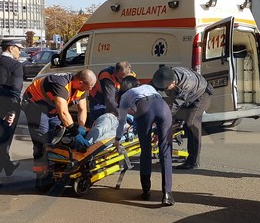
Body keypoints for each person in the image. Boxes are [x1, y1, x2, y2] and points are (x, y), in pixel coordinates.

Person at [22, 69, 97, 189]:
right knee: (42, 142)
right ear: (80, 82)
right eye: (90, 86)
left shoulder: (81, 88)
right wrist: (75, 133)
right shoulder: (60, 84)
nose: (91, 89)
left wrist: (81, 128)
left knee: (57, 138)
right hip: (35, 107)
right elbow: (63, 112)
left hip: (51, 109)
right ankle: (41, 179)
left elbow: (82, 110)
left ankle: (54, 173)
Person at [113, 76, 174, 206]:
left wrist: (117, 139)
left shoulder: (124, 97)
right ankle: (167, 194)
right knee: (166, 152)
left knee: (146, 152)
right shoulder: (149, 87)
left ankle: (146, 192)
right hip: (163, 106)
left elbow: (122, 122)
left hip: (144, 109)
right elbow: (157, 105)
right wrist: (158, 131)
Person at [151, 66, 213, 170]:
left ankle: (193, 161)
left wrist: (157, 128)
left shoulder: (185, 85)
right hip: (189, 94)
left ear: (173, 82)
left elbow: (173, 107)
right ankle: (166, 157)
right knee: (171, 121)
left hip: (201, 95)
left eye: (167, 87)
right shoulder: (163, 75)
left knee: (191, 123)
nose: (165, 90)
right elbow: (151, 86)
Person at [0, 38, 25, 189]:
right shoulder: (15, 65)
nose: (20, 52)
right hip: (7, 108)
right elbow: (15, 90)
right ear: (11, 48)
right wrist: (12, 111)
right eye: (18, 49)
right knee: (3, 144)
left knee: (0, 142)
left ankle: (6, 167)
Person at [86, 61, 135, 126]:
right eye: (121, 78)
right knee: (101, 120)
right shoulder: (106, 76)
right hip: (99, 99)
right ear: (115, 73)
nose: (123, 81)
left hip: (115, 96)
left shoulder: (130, 75)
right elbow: (110, 100)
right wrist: (122, 114)